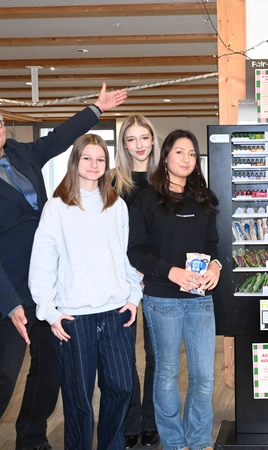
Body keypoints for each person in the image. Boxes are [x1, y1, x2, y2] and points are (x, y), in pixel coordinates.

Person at [0, 83, 127, 450]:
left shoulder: (20, 153)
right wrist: (12, 307)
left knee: (50, 371)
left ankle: (31, 438)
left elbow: (59, 139)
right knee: (2, 378)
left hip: (49, 287)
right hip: (6, 296)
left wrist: (96, 109)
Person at [29, 133, 142, 450]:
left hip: (116, 314)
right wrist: (48, 311)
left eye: (101, 159)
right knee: (78, 400)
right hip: (74, 318)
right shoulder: (57, 207)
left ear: (107, 165)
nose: (94, 165)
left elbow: (126, 256)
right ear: (75, 162)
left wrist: (133, 297)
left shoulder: (115, 204)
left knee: (121, 388)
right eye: (87, 158)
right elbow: (43, 261)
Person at [127, 129, 220, 450]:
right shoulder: (147, 199)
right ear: (165, 156)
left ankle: (198, 441)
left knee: (204, 378)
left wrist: (215, 267)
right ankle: (174, 443)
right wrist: (173, 272)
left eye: (192, 154)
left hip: (200, 300)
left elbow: (213, 245)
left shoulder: (204, 198)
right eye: (179, 152)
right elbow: (136, 251)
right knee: (166, 374)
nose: (186, 159)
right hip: (162, 298)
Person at [112, 115, 162, 450]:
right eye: (131, 139)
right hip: (120, 277)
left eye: (144, 137)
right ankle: (130, 421)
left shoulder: (166, 179)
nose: (139, 145)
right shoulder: (111, 183)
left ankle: (152, 419)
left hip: (158, 275)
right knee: (123, 355)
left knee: (158, 354)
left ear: (153, 141)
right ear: (123, 145)